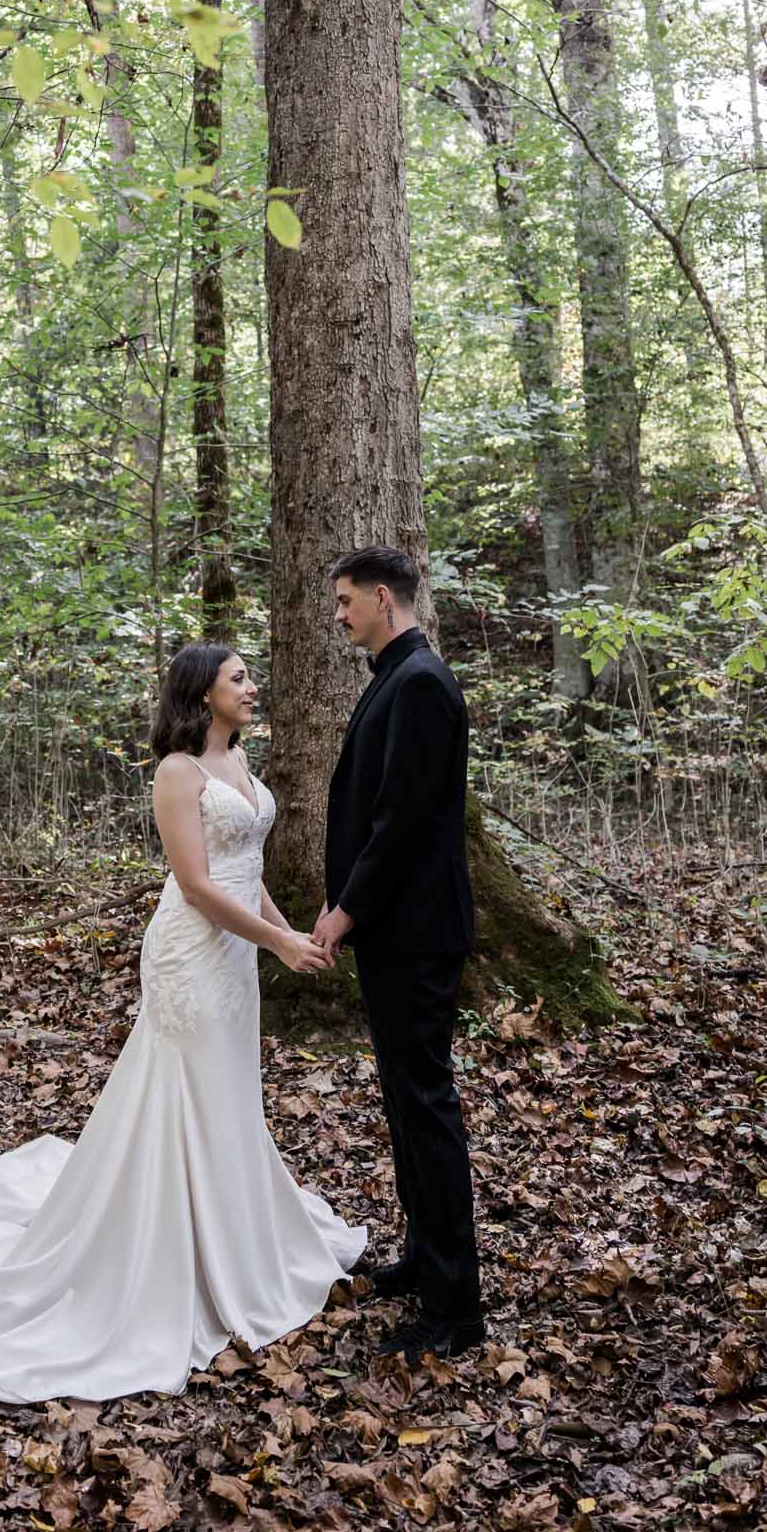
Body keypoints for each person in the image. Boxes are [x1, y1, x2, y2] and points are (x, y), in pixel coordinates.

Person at [0, 642, 363, 1404]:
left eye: (247, 676)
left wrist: (290, 939)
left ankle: (236, 1234)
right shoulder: (178, 774)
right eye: (237, 677)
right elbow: (197, 886)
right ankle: (170, 1251)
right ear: (200, 693)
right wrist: (275, 939)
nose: (252, 687)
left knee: (229, 1094)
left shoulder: (244, 766)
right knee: (186, 1092)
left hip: (237, 957)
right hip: (190, 954)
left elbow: (247, 876)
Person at [313, 545, 483, 1362]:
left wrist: (344, 910)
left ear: (384, 597)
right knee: (405, 1106)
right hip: (398, 931)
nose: (339, 614)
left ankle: (456, 1308)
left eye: (347, 600)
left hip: (414, 932)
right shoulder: (396, 674)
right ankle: (422, 1258)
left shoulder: (419, 683)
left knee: (424, 1105)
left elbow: (402, 821)